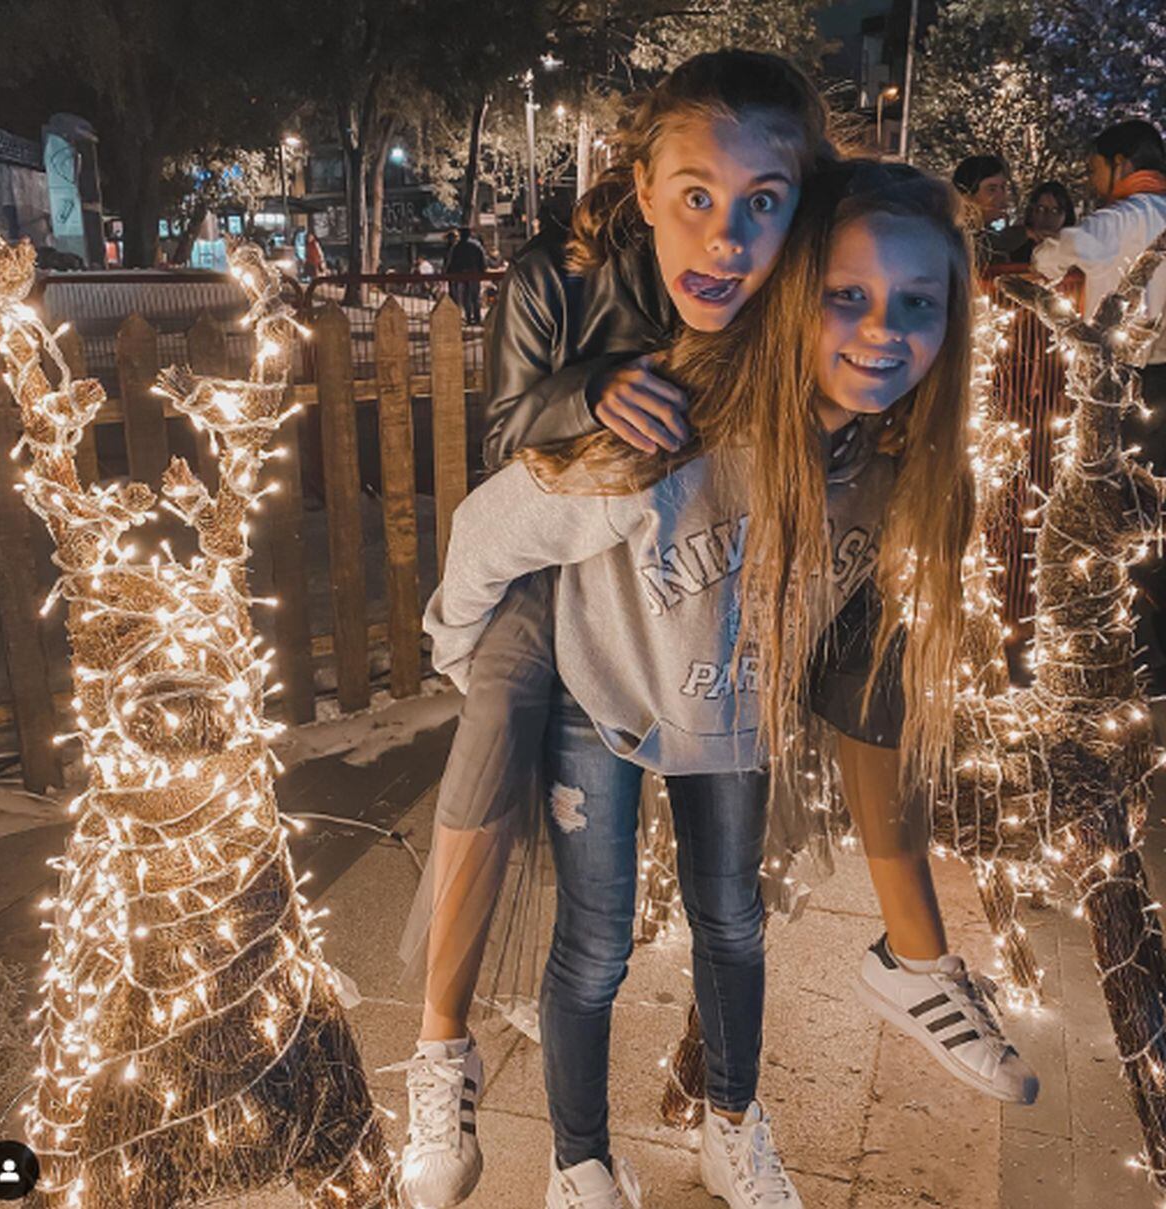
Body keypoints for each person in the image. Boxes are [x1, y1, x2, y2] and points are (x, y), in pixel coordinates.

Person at [424, 159, 1038, 1209]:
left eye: (917, 304)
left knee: (733, 926)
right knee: (596, 941)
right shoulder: (679, 436)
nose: (882, 331)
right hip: (601, 702)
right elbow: (493, 524)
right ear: (796, 298)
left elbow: (864, 666)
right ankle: (578, 1162)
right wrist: (461, 648)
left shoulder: (893, 469)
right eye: (848, 296)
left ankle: (733, 1126)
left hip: (732, 715)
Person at [390, 50, 833, 1209]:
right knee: (559, 866)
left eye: (762, 204)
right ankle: (493, 1088)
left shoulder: (802, 300)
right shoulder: (557, 276)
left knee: (731, 909)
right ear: (640, 186)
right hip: (573, 610)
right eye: (696, 196)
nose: (727, 239)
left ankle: (727, 1112)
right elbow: (504, 437)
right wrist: (590, 393)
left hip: (714, 632)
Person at [1033, 119, 1166, 686]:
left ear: (1120, 162)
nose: (1090, 183)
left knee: (1117, 517)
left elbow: (1052, 257)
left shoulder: (1119, 221)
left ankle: (1133, 651)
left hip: (1129, 384)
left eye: (1093, 170)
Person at [951, 154, 1024, 266]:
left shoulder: (987, 231)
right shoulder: (954, 236)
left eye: (1003, 188)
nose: (1001, 197)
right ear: (967, 197)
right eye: (991, 189)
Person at [1008, 181, 1076, 264]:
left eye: (1055, 211)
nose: (1048, 216)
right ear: (1031, 212)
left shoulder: (1076, 252)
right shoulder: (1016, 247)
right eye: (1041, 209)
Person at [446, 225, 487, 324]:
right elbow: (482, 259)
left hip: (461, 275)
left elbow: (451, 262)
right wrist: (482, 271)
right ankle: (477, 317)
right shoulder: (476, 245)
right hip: (474, 273)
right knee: (474, 296)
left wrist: (451, 273)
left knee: (465, 296)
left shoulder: (456, 246)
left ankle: (469, 317)